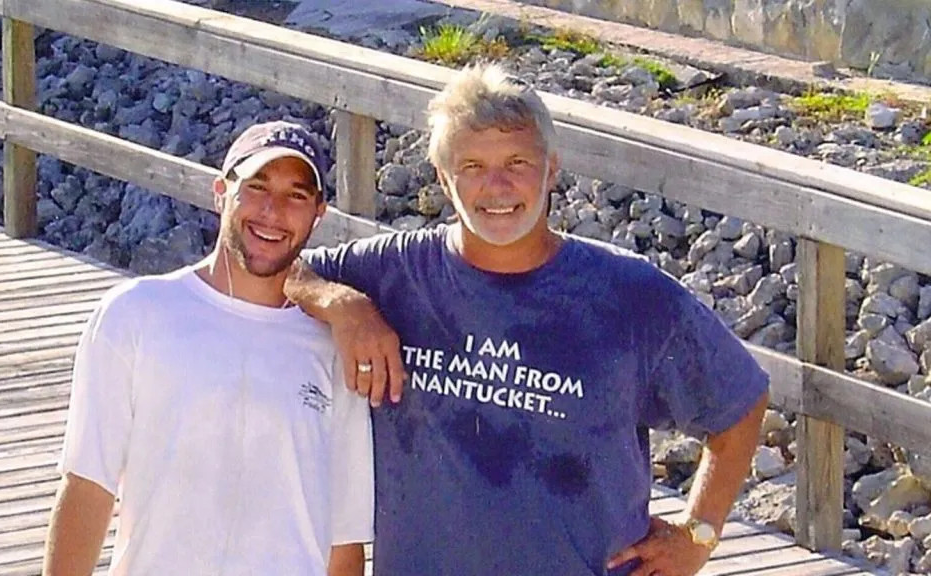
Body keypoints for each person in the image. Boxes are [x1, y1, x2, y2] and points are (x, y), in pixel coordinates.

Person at [285, 63, 770, 576]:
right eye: (472, 166)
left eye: (517, 162)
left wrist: (698, 534)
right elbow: (285, 272)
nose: (497, 186)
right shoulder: (394, 272)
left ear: (552, 169)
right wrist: (342, 303)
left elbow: (741, 404)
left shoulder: (631, 295)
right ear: (444, 181)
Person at [42, 121, 374, 576]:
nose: (272, 211)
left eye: (296, 195)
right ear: (221, 192)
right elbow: (86, 486)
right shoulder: (135, 313)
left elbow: (344, 539)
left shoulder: (335, 347)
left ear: (319, 212)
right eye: (256, 187)